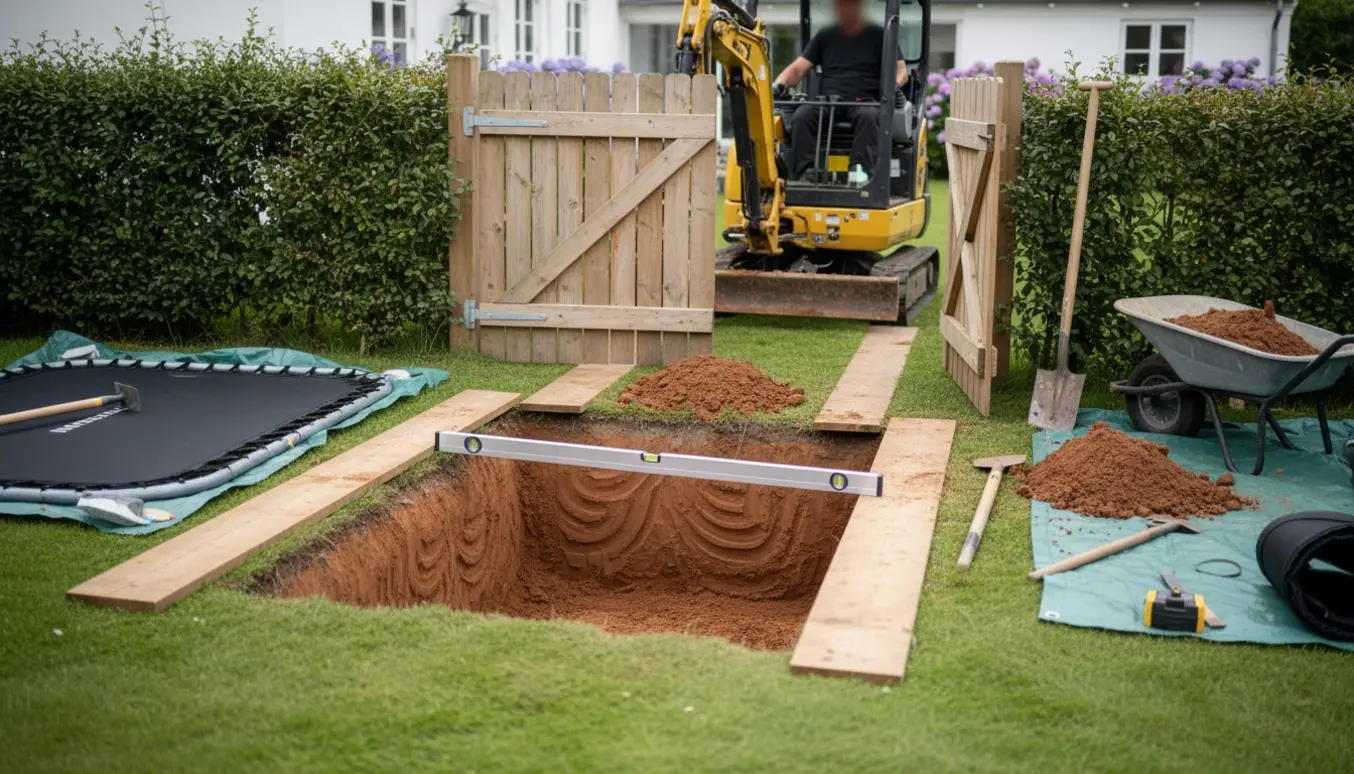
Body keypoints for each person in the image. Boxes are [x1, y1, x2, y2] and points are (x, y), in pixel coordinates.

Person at [771, 0, 908, 184]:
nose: (844, 8)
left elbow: (902, 71)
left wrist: (894, 86)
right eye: (840, 4)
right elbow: (798, 69)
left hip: (864, 101)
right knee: (802, 116)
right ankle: (808, 172)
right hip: (829, 101)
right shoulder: (826, 36)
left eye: (849, 4)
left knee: (868, 116)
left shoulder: (879, 35)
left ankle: (860, 172)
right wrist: (779, 83)